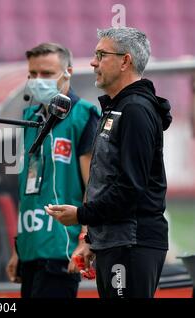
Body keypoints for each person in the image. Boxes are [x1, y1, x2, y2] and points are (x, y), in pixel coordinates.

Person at [46, 27, 172, 298]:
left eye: (101, 55)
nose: (93, 62)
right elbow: (109, 181)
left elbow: (130, 187)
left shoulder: (135, 110)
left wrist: (81, 215)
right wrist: (94, 238)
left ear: (125, 61)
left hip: (132, 242)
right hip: (116, 241)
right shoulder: (119, 107)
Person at [6, 43, 100, 298]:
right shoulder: (30, 118)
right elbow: (28, 190)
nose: (38, 80)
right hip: (31, 247)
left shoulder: (83, 116)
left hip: (62, 248)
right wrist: (18, 248)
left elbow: (93, 186)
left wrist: (85, 239)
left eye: (46, 73)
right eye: (33, 74)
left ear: (67, 72)